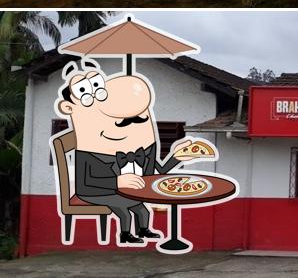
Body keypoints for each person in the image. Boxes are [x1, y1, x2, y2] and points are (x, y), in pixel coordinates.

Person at [54, 59, 198, 246]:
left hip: (120, 189)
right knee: (124, 206)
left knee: (142, 209)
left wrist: (177, 157)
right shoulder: (87, 152)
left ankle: (143, 229)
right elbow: (85, 182)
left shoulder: (140, 150)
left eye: (132, 120)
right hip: (92, 192)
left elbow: (159, 170)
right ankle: (124, 234)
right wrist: (117, 181)